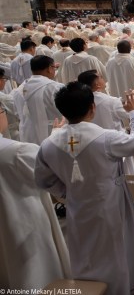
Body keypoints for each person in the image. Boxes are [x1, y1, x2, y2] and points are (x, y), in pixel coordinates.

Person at [35, 82, 134, 294]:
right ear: (92, 108)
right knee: (116, 250)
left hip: (77, 205)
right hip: (110, 203)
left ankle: (89, 288)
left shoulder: (49, 144)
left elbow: (44, 180)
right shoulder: (106, 138)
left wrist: (68, 191)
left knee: (85, 252)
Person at [0, 103, 71, 288]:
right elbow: (47, 167)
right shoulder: (16, 151)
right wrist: (56, 136)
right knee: (36, 271)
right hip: (25, 219)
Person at [13, 55, 64, 145]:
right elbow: (67, 112)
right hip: (51, 134)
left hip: (27, 136)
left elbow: (17, 114)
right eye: (54, 67)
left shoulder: (17, 90)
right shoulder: (55, 87)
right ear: (49, 68)